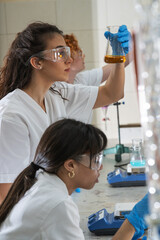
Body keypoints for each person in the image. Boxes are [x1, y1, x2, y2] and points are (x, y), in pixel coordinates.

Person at [0, 21, 126, 203]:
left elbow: (112, 93)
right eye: (60, 53)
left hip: (52, 206)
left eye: (67, 52)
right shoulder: (11, 116)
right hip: (29, 220)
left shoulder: (57, 92)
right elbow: (5, 193)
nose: (69, 60)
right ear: (37, 62)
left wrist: (118, 56)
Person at [0, 118, 107, 239]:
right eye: (96, 160)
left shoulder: (40, 181)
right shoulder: (59, 205)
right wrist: (130, 225)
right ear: (70, 165)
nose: (101, 167)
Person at [64, 25, 131, 86]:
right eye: (79, 53)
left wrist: (133, 44)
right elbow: (110, 94)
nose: (83, 56)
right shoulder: (59, 88)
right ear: (69, 59)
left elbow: (114, 67)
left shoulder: (80, 79)